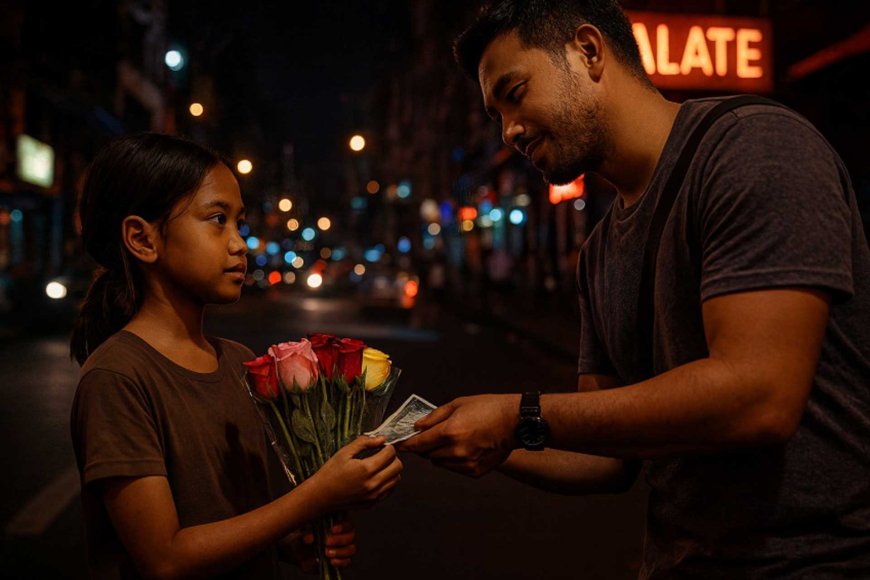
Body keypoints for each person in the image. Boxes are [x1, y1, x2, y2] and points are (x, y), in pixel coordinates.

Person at [400, 0, 870, 577]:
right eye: (496, 114)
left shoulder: (752, 148)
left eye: (515, 93)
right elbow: (607, 458)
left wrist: (517, 414)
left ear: (589, 51)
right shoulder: (598, 252)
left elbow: (759, 397)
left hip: (817, 561)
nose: (510, 131)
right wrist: (480, 438)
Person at [69, 133, 403, 579]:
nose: (240, 244)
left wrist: (294, 544)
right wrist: (317, 495)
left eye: (238, 222)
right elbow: (165, 559)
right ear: (142, 239)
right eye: (217, 219)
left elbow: (243, 513)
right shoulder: (118, 376)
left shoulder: (238, 362)